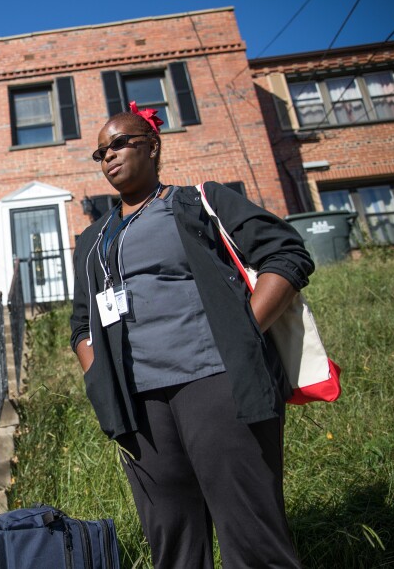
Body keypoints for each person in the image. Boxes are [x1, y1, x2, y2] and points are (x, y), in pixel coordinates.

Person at [70, 102, 312, 567]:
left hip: (215, 380)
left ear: (153, 146)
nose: (110, 157)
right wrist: (99, 374)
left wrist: (241, 333)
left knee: (252, 533)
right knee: (173, 543)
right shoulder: (92, 240)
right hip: (138, 406)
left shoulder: (199, 201)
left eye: (121, 143)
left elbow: (286, 254)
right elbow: (82, 322)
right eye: (101, 153)